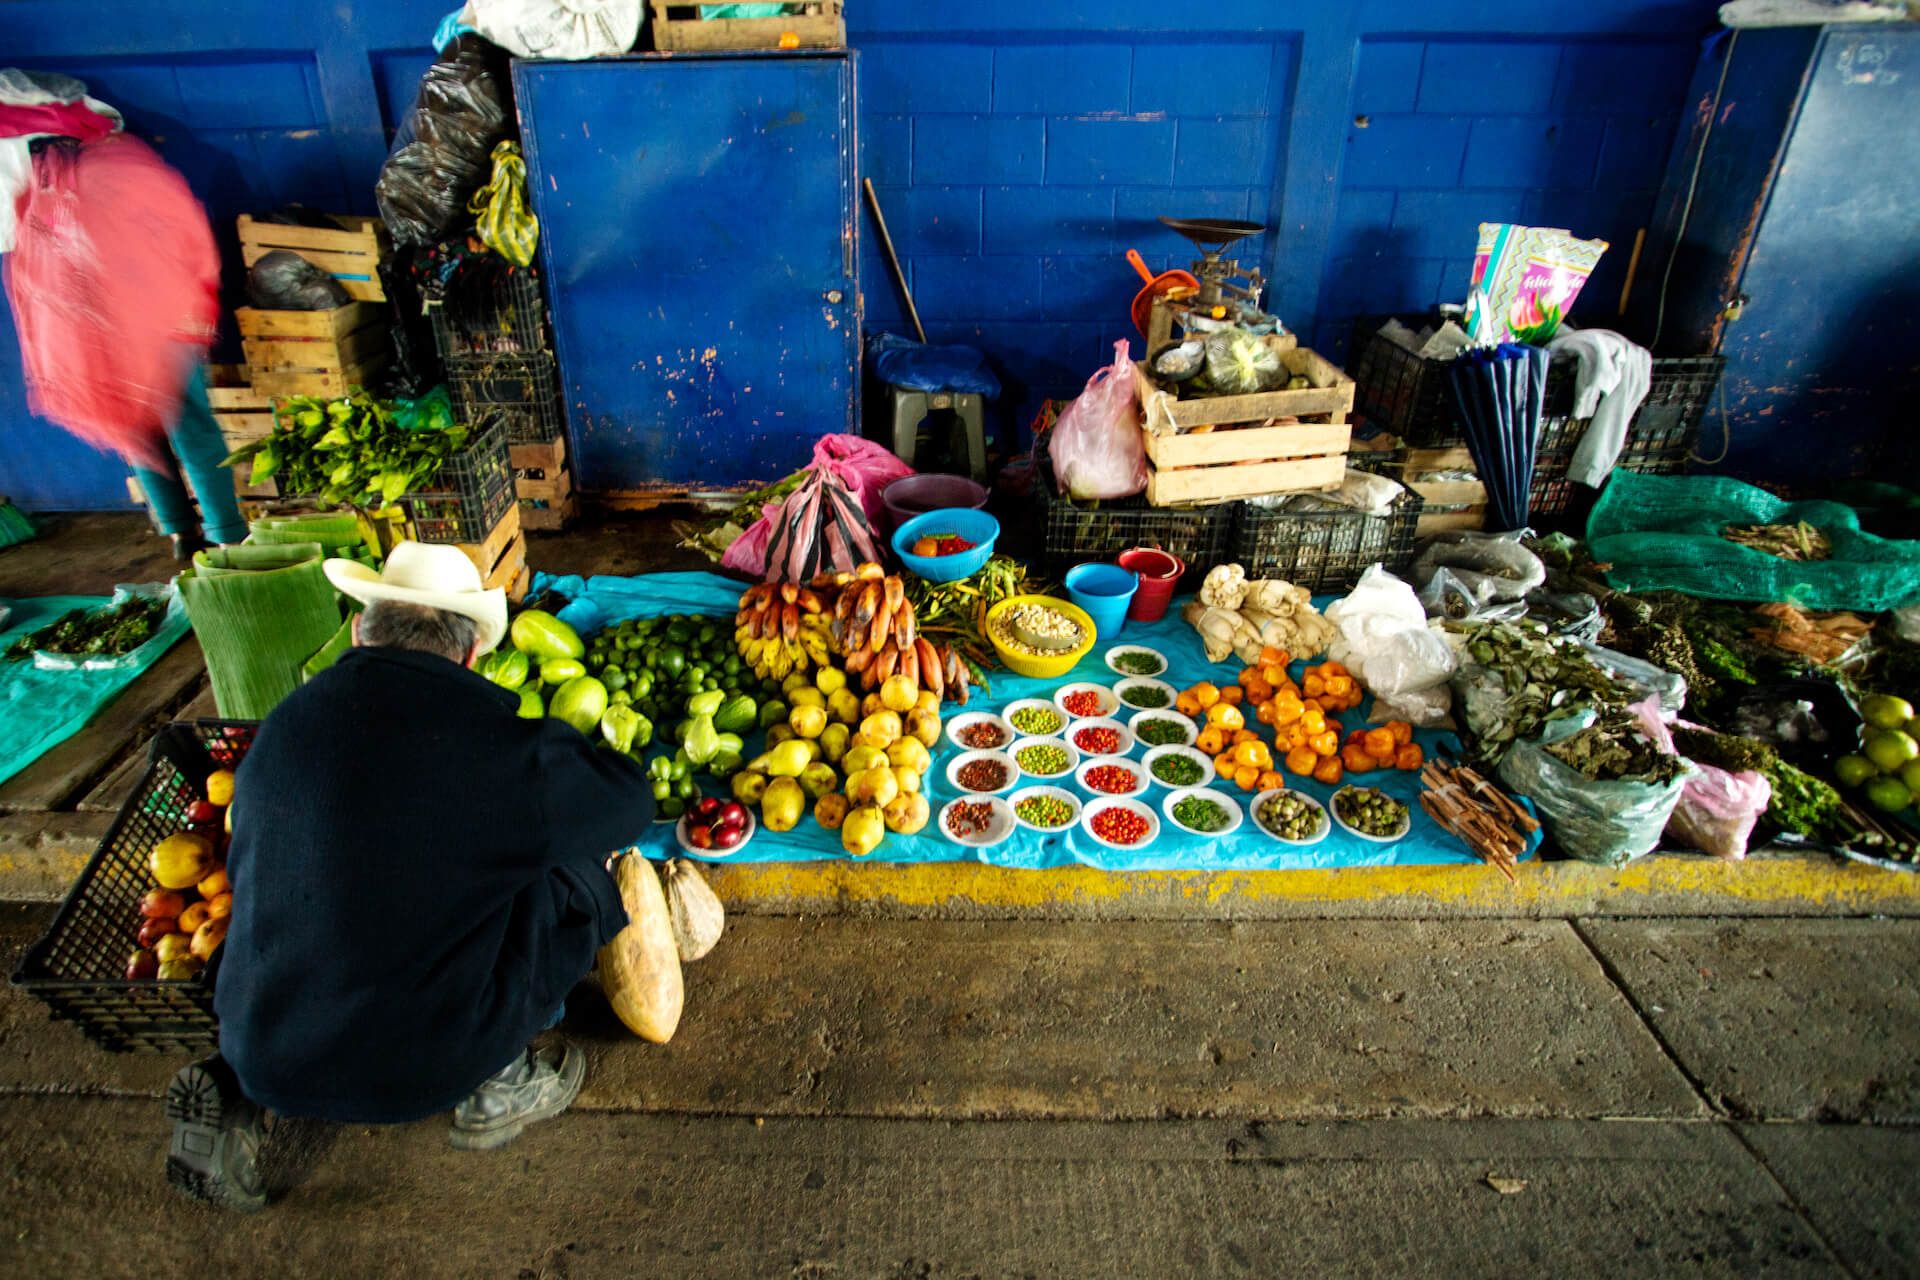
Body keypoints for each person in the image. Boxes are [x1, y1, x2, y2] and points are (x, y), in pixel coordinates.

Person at [165, 541, 652, 1212]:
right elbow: (627, 807)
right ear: (473, 654)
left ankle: (236, 1092)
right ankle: (500, 1080)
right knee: (576, 875)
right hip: (420, 1073)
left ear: (363, 630)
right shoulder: (502, 749)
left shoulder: (283, 726)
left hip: (260, 1042)